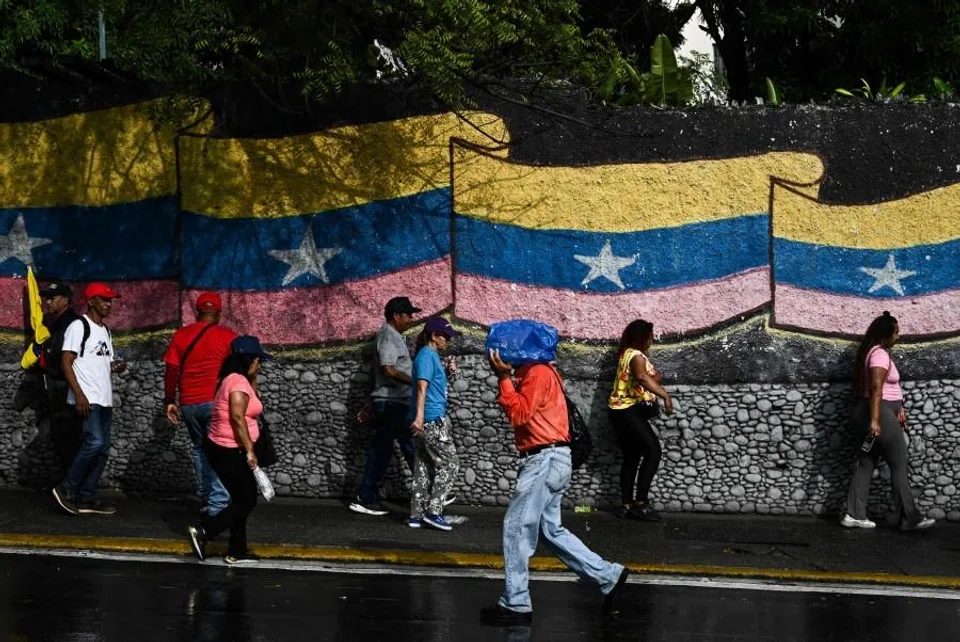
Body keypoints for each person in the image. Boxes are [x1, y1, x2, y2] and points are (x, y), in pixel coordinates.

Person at [480, 348, 630, 626]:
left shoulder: (537, 372)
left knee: (516, 528)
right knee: (550, 530)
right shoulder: (539, 372)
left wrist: (503, 378)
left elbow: (519, 414)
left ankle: (517, 603)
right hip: (553, 458)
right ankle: (607, 575)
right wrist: (510, 377)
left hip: (543, 459)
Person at [842, 311, 935, 531]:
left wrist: (898, 407)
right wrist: (876, 420)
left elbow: (887, 388)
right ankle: (908, 517)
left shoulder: (874, 352)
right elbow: (876, 389)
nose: (898, 337)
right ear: (886, 335)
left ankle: (853, 514)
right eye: (896, 333)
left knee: (866, 463)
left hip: (881, 411)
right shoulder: (879, 355)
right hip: (877, 413)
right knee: (899, 463)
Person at [187, 335, 272, 564]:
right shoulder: (236, 382)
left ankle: (237, 550)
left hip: (226, 450)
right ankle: (205, 532)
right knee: (247, 501)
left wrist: (253, 377)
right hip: (230, 450)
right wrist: (250, 450)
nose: (260, 364)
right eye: (257, 360)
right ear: (247, 359)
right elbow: (236, 417)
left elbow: (252, 402)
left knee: (239, 499)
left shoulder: (235, 379)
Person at [51, 282, 124, 516]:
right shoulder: (79, 326)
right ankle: (66, 488)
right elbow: (66, 361)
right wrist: (79, 395)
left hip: (104, 398)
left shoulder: (106, 331)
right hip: (88, 398)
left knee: (102, 448)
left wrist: (117, 366)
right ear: (91, 301)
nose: (108, 304)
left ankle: (87, 497)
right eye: (104, 299)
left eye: (110, 300)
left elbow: (103, 360)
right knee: (94, 442)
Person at [163, 292, 237, 516]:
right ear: (218, 313)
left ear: (197, 312)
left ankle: (207, 498)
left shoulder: (181, 335)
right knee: (220, 451)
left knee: (199, 449)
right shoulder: (227, 336)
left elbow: (172, 370)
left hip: (188, 403)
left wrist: (169, 401)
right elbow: (234, 370)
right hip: (214, 401)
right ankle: (217, 505)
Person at [349, 296, 421, 516]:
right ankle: (365, 497)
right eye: (408, 315)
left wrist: (370, 400)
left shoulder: (394, 336)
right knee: (384, 450)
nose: (410, 319)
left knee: (408, 448)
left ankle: (428, 492)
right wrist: (416, 382)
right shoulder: (388, 336)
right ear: (396, 315)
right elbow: (388, 369)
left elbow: (375, 373)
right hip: (392, 403)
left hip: (394, 402)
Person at [607, 319, 674, 521]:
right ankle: (641, 504)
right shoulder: (635, 356)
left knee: (632, 457)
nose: (651, 341)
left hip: (618, 412)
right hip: (629, 412)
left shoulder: (627, 354)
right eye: (649, 337)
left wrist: (651, 378)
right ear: (642, 337)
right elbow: (644, 378)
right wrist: (665, 396)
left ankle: (626, 505)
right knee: (653, 451)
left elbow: (648, 376)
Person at [408, 317, 461, 531]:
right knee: (450, 463)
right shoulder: (427, 356)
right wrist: (420, 417)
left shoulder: (430, 356)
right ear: (433, 336)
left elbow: (435, 387)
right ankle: (434, 511)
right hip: (431, 420)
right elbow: (422, 387)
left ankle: (416, 515)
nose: (447, 340)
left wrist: (449, 372)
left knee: (424, 466)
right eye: (444, 336)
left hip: (426, 418)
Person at [39, 282, 82, 474]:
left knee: (68, 435)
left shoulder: (72, 324)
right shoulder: (54, 323)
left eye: (52, 298)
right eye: (46, 298)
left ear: (66, 300)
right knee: (62, 436)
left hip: (67, 387)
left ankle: (70, 484)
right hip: (57, 386)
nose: (48, 302)